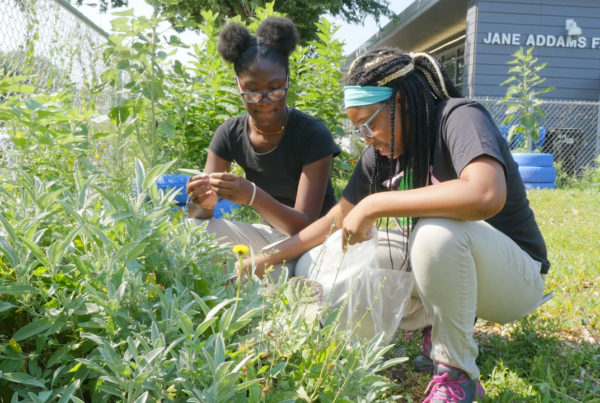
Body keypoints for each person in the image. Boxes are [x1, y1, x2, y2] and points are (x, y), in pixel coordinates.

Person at [243, 47, 550, 402]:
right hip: (456, 274)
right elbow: (332, 223)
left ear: (401, 101)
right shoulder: (381, 154)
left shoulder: (458, 117)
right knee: (334, 250)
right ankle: (433, 327)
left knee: (435, 234)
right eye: (358, 128)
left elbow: (485, 195)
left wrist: (375, 203)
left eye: (370, 122)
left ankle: (457, 376)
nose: (367, 136)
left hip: (513, 280)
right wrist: (263, 259)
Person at [186, 17, 340, 278]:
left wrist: (253, 195)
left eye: (275, 89)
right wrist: (202, 201)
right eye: (252, 91)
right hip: (273, 237)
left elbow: (304, 226)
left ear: (287, 80)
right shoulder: (229, 133)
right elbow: (200, 216)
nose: (265, 101)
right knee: (195, 232)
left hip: (316, 241)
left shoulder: (311, 133)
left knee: (278, 276)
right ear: (238, 84)